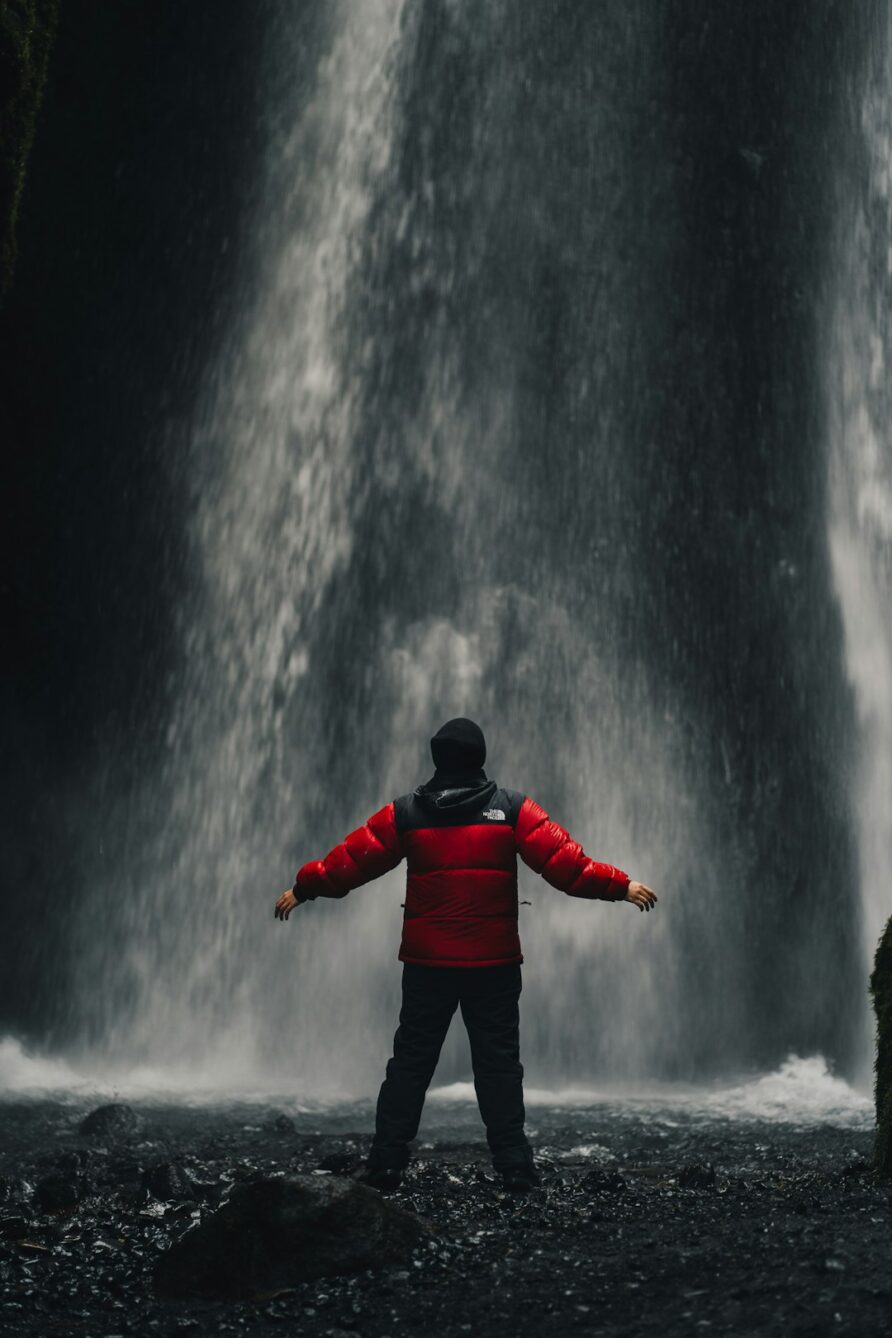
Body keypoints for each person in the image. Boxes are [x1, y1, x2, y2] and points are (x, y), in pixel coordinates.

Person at [275, 717, 657, 1192]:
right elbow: (567, 867)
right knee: (498, 1064)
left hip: (427, 964)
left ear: (437, 760)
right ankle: (516, 1169)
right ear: (479, 757)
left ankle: (385, 1165)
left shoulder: (406, 813)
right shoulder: (512, 809)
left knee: (410, 1064)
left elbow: (352, 862)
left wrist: (304, 886)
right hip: (492, 965)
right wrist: (621, 886)